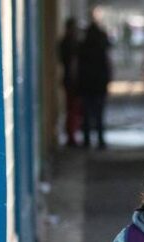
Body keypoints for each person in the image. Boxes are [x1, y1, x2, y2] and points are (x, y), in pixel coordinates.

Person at [76, 14, 112, 149]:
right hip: (99, 84)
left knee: (86, 114)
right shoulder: (101, 47)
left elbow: (78, 67)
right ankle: (100, 140)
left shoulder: (83, 47)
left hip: (86, 84)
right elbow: (106, 65)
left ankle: (86, 140)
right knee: (99, 113)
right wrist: (107, 80)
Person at [57, 18, 82, 147]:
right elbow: (72, 64)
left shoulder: (65, 43)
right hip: (72, 81)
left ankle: (72, 134)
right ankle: (71, 136)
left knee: (72, 109)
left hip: (69, 80)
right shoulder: (71, 44)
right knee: (72, 109)